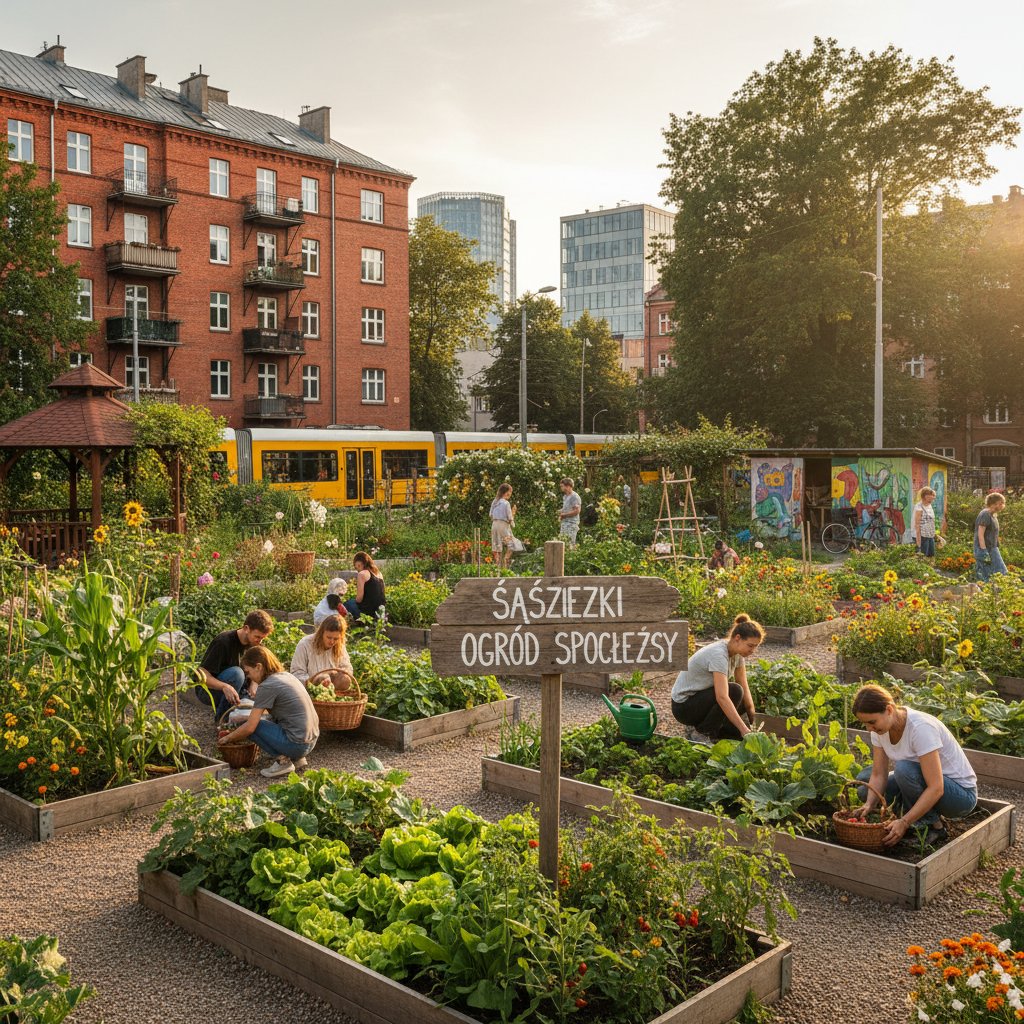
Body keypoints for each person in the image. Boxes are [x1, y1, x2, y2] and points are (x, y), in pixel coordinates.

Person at [852, 683, 977, 846]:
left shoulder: (920, 728)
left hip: (959, 796)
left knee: (904, 769)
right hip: (920, 782)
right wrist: (869, 804)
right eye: (865, 724)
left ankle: (933, 827)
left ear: (889, 710)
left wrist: (904, 822)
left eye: (872, 722)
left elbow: (936, 787)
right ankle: (911, 815)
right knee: (865, 786)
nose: (869, 728)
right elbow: (878, 774)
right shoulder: (880, 729)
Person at [220, 646, 319, 778]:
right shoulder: (286, 676)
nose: (248, 677)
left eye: (248, 672)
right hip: (312, 740)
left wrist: (227, 738)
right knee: (266, 720)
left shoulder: (267, 686)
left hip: (298, 745)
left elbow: (250, 727)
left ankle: (283, 762)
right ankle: (298, 759)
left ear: (258, 667)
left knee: (251, 726)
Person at [670, 614, 764, 742]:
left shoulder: (738, 654)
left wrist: (754, 722)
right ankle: (701, 732)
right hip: (684, 707)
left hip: (701, 699)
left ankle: (719, 733)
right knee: (735, 691)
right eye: (750, 645)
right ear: (737, 638)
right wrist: (744, 730)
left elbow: (745, 687)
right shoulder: (719, 655)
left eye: (756, 646)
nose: (753, 650)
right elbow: (722, 697)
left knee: (741, 698)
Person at [195, 610, 274, 721]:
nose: (259, 641)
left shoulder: (255, 644)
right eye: (257, 637)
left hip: (238, 689)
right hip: (208, 690)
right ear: (246, 629)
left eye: (262, 638)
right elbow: (202, 676)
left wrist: (254, 684)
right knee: (237, 673)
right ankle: (222, 720)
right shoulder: (223, 642)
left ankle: (236, 717)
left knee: (257, 712)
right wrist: (224, 686)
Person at [290, 613, 355, 689]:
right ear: (321, 633)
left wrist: (336, 674)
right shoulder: (305, 644)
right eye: (329, 637)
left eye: (336, 639)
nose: (332, 641)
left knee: (345, 679)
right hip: (309, 690)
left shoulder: (339, 645)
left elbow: (347, 668)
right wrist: (315, 680)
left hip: (333, 690)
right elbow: (296, 674)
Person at [343, 551, 386, 621]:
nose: (357, 569)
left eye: (357, 566)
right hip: (380, 613)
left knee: (347, 603)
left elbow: (359, 599)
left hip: (368, 614)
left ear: (360, 563)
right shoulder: (379, 573)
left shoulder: (362, 574)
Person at [975, 491, 1008, 582]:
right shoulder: (985, 514)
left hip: (992, 547)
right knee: (989, 573)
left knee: (996, 572)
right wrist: (983, 551)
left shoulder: (993, 515)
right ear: (994, 503)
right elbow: (980, 534)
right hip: (985, 548)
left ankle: (992, 592)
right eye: (1001, 503)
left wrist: (997, 543)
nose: (1002, 506)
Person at [490, 483, 516, 570]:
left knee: (497, 546)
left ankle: (498, 566)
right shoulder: (506, 503)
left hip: (494, 525)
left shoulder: (495, 501)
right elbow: (509, 518)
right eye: (510, 492)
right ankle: (505, 560)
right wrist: (513, 521)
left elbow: (490, 515)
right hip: (503, 526)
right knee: (512, 544)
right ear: (507, 492)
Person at [913, 487, 937, 557]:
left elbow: (931, 522)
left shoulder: (929, 506)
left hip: (930, 535)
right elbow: (917, 526)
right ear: (926, 496)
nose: (934, 497)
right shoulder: (919, 507)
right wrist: (918, 544)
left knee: (932, 555)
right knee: (924, 557)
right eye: (932, 495)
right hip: (923, 536)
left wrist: (935, 534)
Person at [558, 477, 582, 547]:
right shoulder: (565, 496)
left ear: (568, 486)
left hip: (571, 524)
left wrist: (564, 515)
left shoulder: (574, 496)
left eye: (562, 486)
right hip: (564, 523)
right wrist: (560, 511)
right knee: (563, 543)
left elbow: (577, 511)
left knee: (570, 544)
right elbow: (568, 508)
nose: (561, 488)